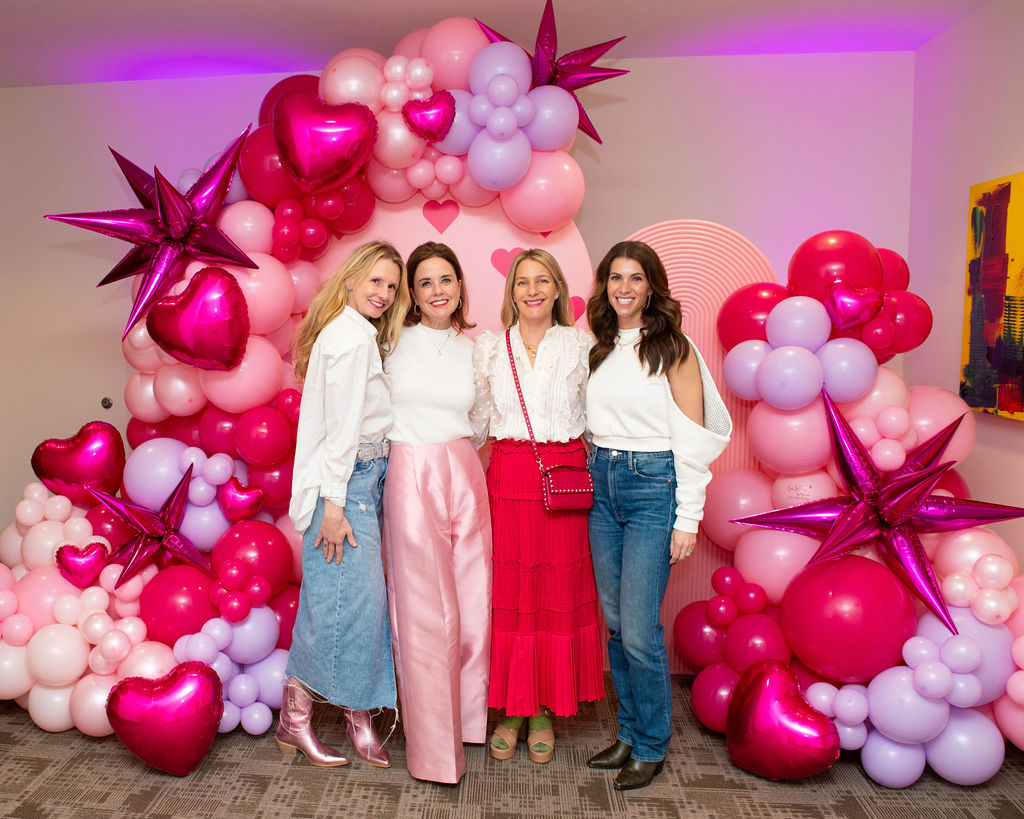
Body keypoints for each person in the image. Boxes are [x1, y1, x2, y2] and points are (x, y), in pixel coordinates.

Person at [584, 240, 732, 790]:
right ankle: (628, 731)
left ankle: (651, 743)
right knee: (617, 625)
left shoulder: (673, 346)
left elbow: (693, 438)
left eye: (636, 278)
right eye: (615, 277)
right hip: (601, 484)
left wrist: (687, 517)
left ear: (652, 286)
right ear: (606, 286)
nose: (624, 288)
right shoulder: (596, 345)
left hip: (654, 486)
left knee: (641, 628)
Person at [279, 240, 409, 768]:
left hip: (364, 480)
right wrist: (335, 505)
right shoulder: (351, 340)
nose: (383, 293)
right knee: (335, 606)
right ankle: (296, 719)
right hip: (348, 485)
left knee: (360, 607)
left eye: (391, 286)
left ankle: (357, 716)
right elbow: (340, 433)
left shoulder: (356, 333)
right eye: (375, 281)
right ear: (352, 279)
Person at [471, 248, 604, 765]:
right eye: (522, 281)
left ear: (556, 289)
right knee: (511, 591)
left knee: (556, 591)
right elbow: (475, 422)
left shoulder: (581, 346)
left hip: (565, 479)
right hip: (507, 475)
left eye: (542, 280)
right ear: (511, 292)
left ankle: (544, 706)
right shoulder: (488, 348)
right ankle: (512, 707)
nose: (532, 289)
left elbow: (596, 422)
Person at [382, 242, 492, 784]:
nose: (438, 290)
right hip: (411, 472)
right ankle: (434, 752)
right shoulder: (391, 343)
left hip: (465, 469)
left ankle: (469, 722)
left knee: (473, 602)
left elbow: (483, 420)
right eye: (425, 282)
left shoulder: (478, 350)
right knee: (427, 614)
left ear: (460, 286)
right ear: (411, 293)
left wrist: (463, 462)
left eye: (446, 279)